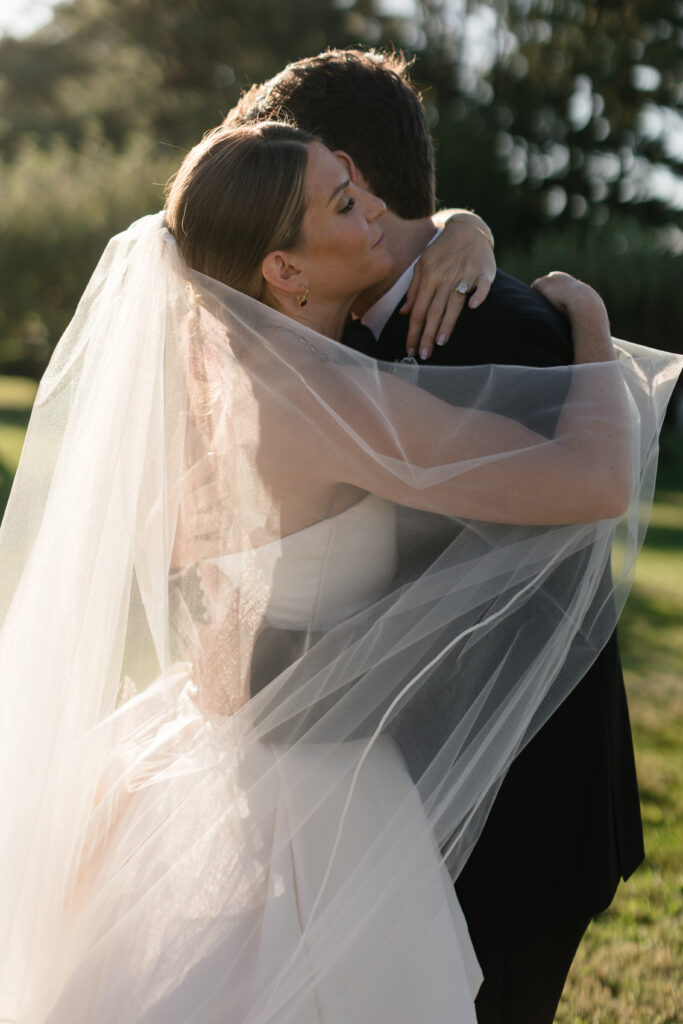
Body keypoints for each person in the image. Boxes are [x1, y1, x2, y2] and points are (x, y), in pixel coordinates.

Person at [0, 121, 679, 1024]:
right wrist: (585, 314)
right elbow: (594, 477)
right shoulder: (320, 401)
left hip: (246, 742)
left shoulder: (227, 371)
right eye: (345, 202)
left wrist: (464, 225)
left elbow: (188, 549)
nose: (384, 217)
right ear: (284, 270)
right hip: (319, 797)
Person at [225, 48, 653, 1023]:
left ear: (347, 170)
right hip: (372, 796)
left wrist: (536, 284)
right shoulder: (329, 340)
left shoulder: (499, 329)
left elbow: (566, 522)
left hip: (510, 818)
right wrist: (486, 238)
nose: (353, 213)